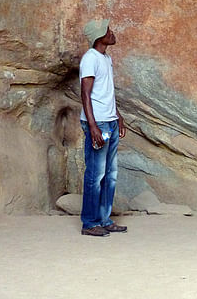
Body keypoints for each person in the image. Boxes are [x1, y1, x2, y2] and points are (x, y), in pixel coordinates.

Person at [79, 19, 127, 237]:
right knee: (95, 174)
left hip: (109, 120)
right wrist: (92, 126)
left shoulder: (106, 58)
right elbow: (85, 94)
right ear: (100, 37)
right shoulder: (90, 59)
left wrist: (118, 116)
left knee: (111, 174)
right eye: (108, 31)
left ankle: (104, 219)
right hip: (97, 123)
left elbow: (107, 92)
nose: (112, 33)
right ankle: (89, 223)